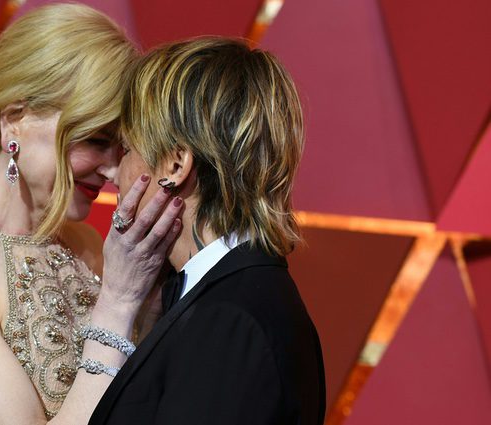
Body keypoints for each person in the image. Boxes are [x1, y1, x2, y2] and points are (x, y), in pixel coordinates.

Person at [0, 4, 182, 424]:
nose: (115, 171)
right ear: (15, 119)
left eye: (120, 148)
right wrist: (119, 303)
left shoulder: (88, 248)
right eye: (96, 140)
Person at [90, 37, 326, 424]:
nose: (116, 173)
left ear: (176, 165)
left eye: (127, 148)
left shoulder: (229, 322)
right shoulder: (225, 299)